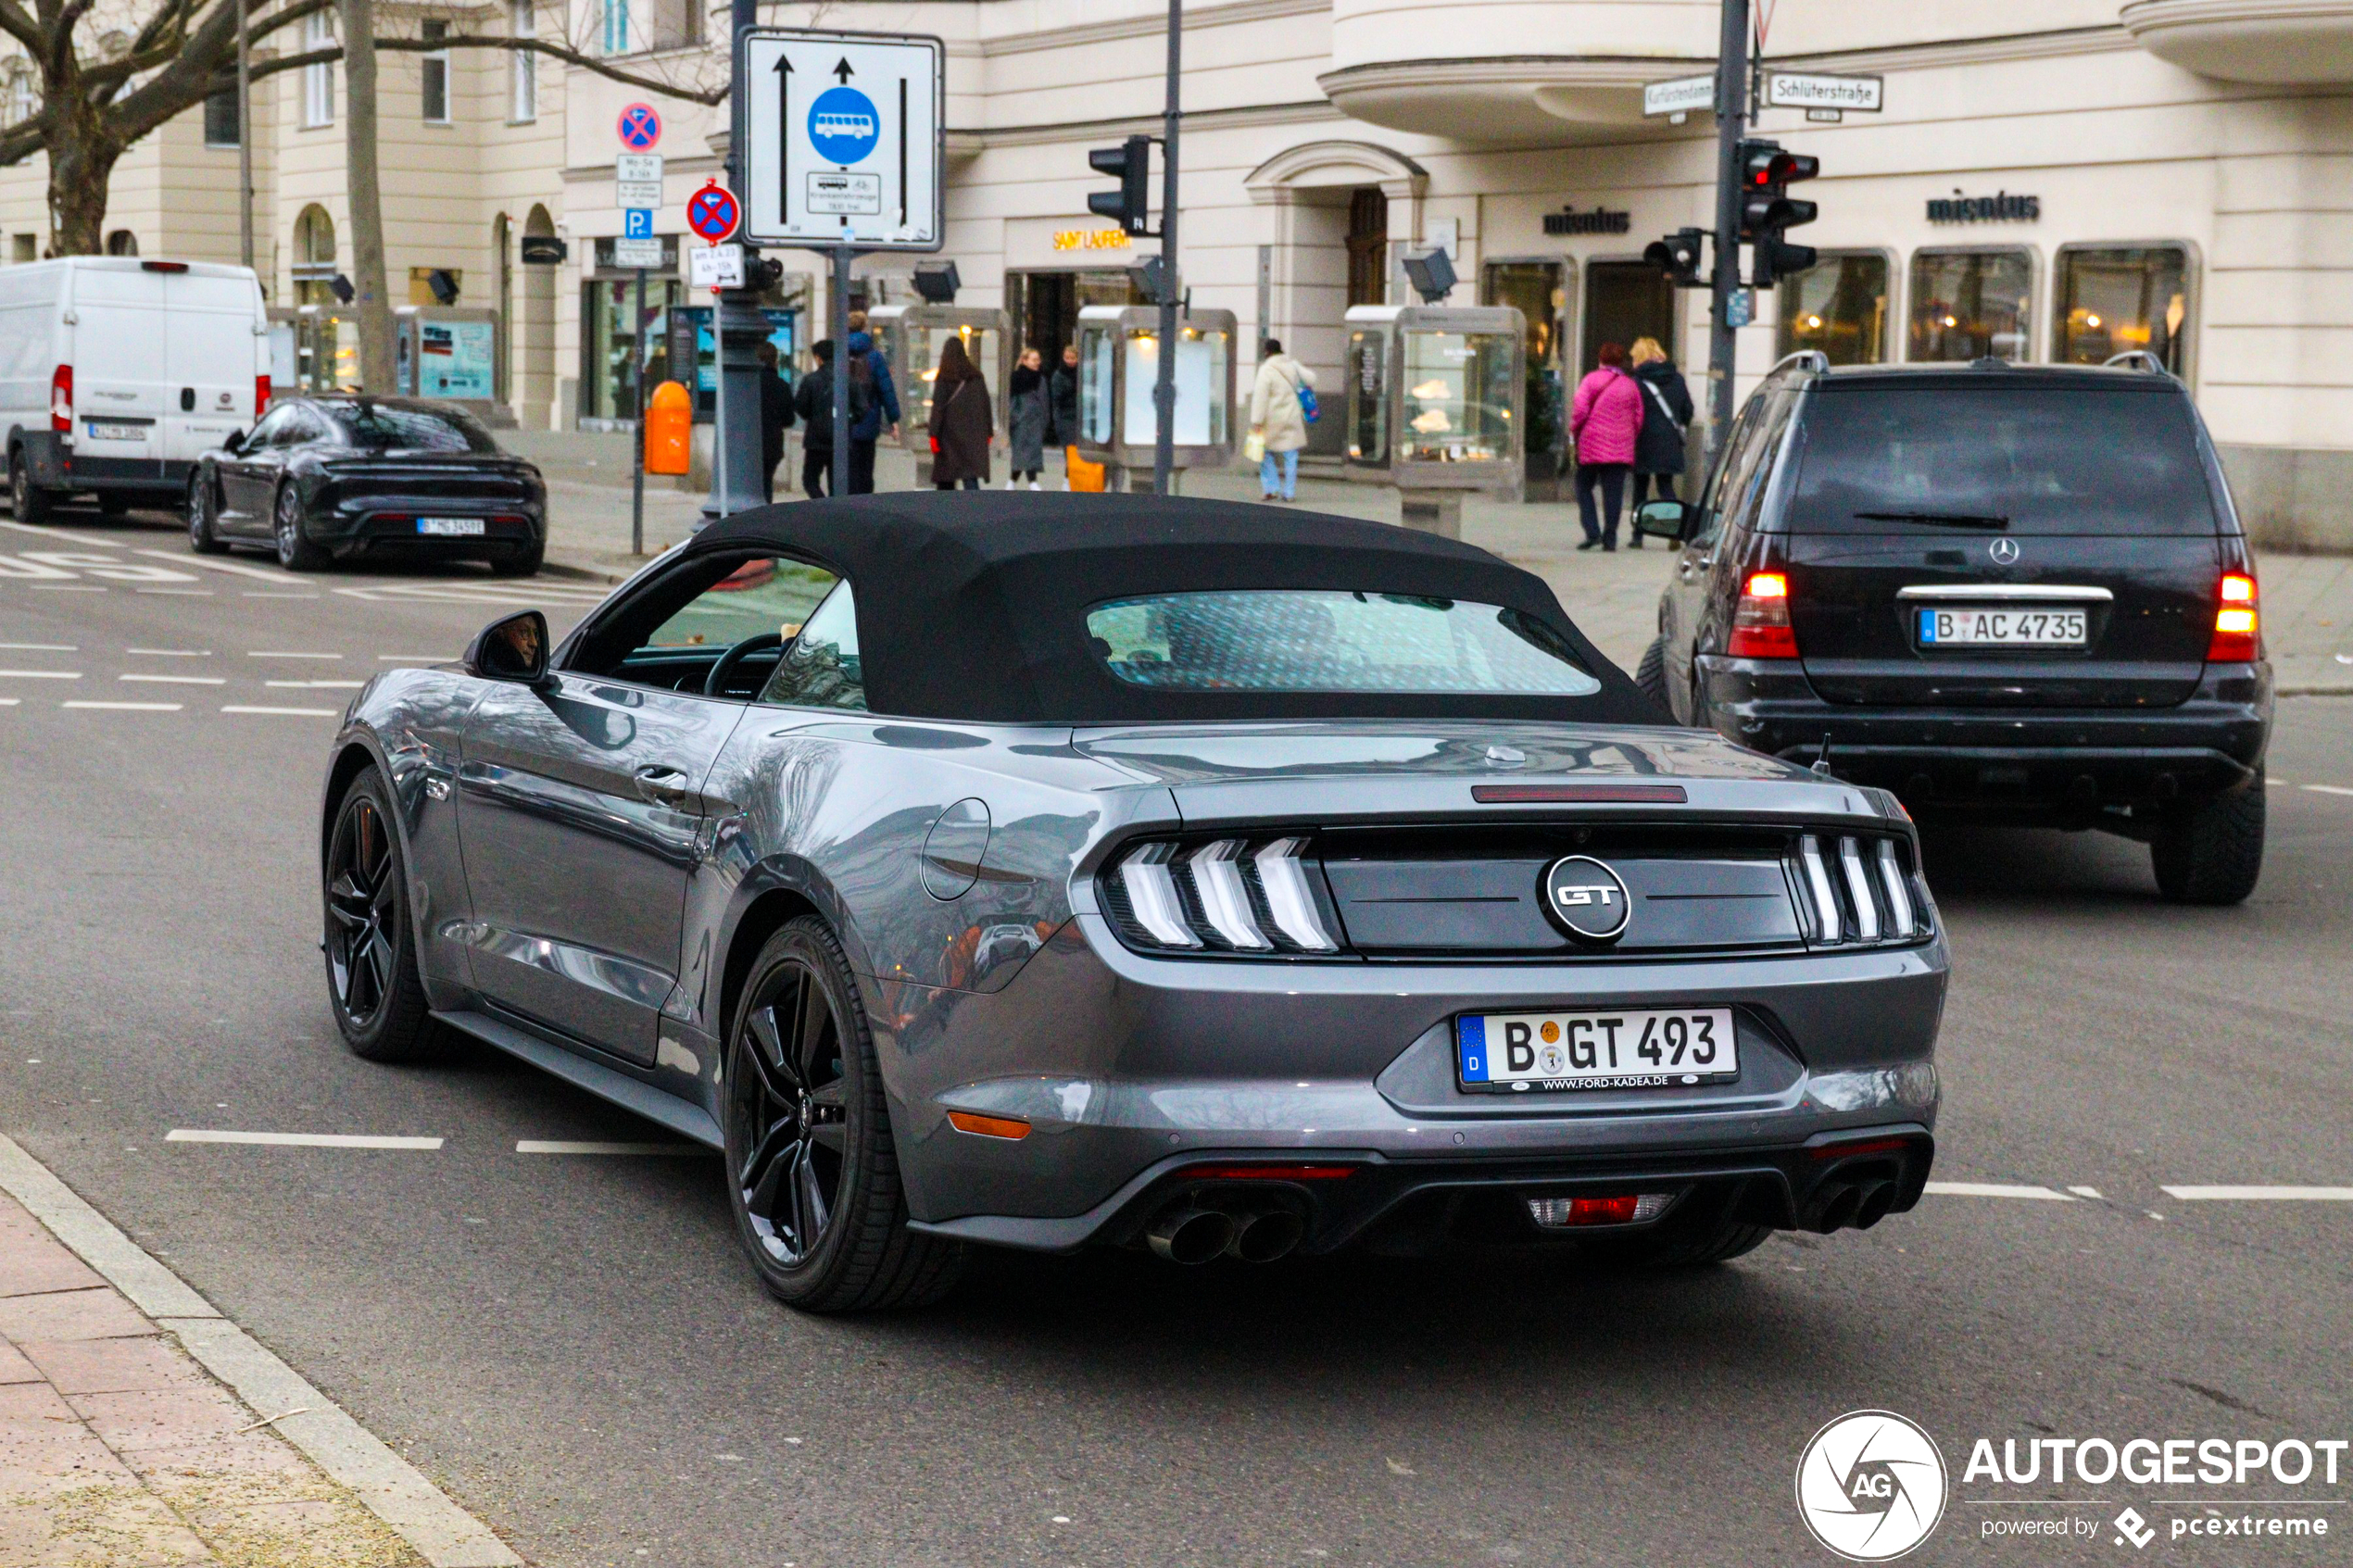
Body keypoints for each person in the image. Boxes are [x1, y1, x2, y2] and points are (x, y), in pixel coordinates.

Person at [1569, 341, 1644, 551]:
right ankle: (1610, 538)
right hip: (1620, 447)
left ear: (1601, 359)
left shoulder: (1590, 380)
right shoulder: (1630, 385)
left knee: (1583, 486)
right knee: (1614, 493)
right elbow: (1639, 417)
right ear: (1621, 361)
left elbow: (1579, 411)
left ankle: (1592, 532)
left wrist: (1574, 432)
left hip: (1592, 444)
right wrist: (1628, 436)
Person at [1627, 336, 1693, 549]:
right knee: (1666, 487)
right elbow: (1688, 410)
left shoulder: (1637, 381)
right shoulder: (1677, 378)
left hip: (1643, 440)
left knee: (1640, 489)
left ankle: (1638, 536)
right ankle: (1674, 531)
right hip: (1669, 441)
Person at [790, 339, 871, 500]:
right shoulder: (849, 381)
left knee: (810, 480)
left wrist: (813, 416)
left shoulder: (811, 380)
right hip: (840, 440)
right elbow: (862, 409)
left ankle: (822, 504)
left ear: (818, 358)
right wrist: (848, 419)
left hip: (816, 440)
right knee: (838, 484)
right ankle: (835, 510)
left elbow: (800, 406)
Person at [1248, 337, 1316, 503]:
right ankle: (1289, 493)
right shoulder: (1292, 365)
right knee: (1291, 456)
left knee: (1264, 454)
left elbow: (1260, 397)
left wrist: (1257, 421)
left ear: (1267, 352)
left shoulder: (1266, 369)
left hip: (1272, 420)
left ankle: (1271, 489)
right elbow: (1312, 379)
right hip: (1292, 417)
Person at [843, 310, 900, 495]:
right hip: (868, 420)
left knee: (848, 470)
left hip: (844, 423)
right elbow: (886, 389)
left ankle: (848, 506)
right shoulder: (874, 356)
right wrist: (894, 419)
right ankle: (865, 505)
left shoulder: (840, 353)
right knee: (865, 471)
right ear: (864, 327)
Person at [926, 335, 992, 490]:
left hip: (949, 437)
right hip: (973, 436)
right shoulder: (976, 377)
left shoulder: (944, 378)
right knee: (969, 475)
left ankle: (945, 510)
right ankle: (974, 510)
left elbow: (938, 409)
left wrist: (933, 435)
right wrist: (988, 432)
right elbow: (986, 406)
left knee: (946, 476)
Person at [755, 341, 795, 505]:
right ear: (775, 360)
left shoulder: (750, 384)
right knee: (766, 482)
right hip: (773, 443)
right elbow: (789, 419)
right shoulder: (783, 386)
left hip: (750, 443)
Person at [1005, 346, 1050, 489]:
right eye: (1034, 360)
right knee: (1021, 454)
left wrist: (1044, 421)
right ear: (1024, 360)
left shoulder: (1041, 379)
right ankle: (1030, 482)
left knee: (1029, 454)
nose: (1037, 363)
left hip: (1036, 423)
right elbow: (1011, 402)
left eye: (1038, 359)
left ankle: (1016, 482)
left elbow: (1044, 401)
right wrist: (1015, 418)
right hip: (1021, 422)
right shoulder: (1016, 378)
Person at [1049, 344, 1080, 484]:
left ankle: (1074, 479)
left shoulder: (1082, 373)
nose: (1070, 361)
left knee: (1078, 453)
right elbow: (1057, 398)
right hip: (1065, 418)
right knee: (1070, 452)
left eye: (1073, 358)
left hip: (1078, 418)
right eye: (1067, 357)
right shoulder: (1058, 375)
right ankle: (1068, 480)